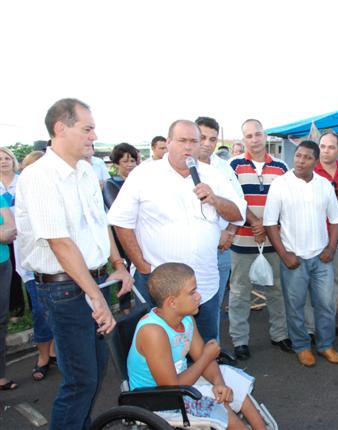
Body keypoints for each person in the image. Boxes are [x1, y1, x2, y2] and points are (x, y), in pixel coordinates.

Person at [15, 98, 133, 429]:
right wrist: (95, 296)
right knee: (81, 380)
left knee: (94, 373)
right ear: (60, 128)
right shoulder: (39, 176)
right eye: (87, 129)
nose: (94, 136)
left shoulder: (85, 171)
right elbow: (60, 243)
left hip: (94, 283)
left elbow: (100, 224)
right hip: (66, 290)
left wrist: (118, 263)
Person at [108, 120, 246, 344]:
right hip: (159, 284)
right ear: (169, 142)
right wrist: (141, 265)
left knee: (206, 345)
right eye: (182, 140)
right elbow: (121, 221)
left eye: (194, 141)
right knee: (161, 348)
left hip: (204, 284)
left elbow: (238, 214)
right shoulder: (144, 174)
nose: (188, 147)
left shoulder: (213, 175)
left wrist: (215, 199)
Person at [127, 263, 266, 430]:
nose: (198, 296)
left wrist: (219, 384)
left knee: (230, 378)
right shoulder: (153, 332)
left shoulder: (186, 319)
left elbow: (202, 358)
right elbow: (171, 388)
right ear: (172, 302)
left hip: (180, 385)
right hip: (158, 400)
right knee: (218, 405)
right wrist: (207, 357)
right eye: (192, 292)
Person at [264, 141, 338, 367]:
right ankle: (302, 347)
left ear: (315, 161)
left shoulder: (324, 185)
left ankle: (326, 345)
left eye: (307, 157)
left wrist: (331, 249)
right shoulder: (280, 184)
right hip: (294, 258)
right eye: (298, 156)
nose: (300, 161)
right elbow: (270, 223)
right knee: (295, 306)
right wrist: (284, 255)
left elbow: (336, 219)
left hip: (321, 258)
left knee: (326, 304)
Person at [227, 119, 291, 360]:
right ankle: (240, 341)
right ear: (243, 139)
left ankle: (280, 335)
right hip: (243, 241)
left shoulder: (281, 167)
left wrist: (267, 226)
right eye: (249, 136)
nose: (254, 139)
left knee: (276, 290)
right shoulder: (233, 165)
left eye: (258, 134)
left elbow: (286, 202)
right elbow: (232, 201)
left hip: (274, 241)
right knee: (239, 293)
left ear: (265, 136)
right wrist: (254, 223)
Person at [195, 116, 244, 340]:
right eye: (202, 137)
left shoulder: (224, 168)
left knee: (213, 303)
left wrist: (230, 233)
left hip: (221, 248)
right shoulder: (177, 167)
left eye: (212, 139)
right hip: (190, 251)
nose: (207, 143)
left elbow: (239, 205)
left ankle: (210, 351)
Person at [14, 150, 56, 381]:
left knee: (59, 316)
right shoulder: (27, 195)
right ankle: (42, 357)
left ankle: (55, 352)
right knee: (41, 314)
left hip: (61, 271)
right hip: (35, 270)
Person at [304, 131, 338, 338]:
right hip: (313, 236)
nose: (326, 151)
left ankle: (326, 323)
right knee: (311, 284)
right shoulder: (308, 170)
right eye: (322, 146)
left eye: (331, 147)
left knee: (335, 282)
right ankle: (311, 328)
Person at [103, 143, 139, 313]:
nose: (130, 164)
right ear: (116, 163)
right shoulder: (111, 184)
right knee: (124, 266)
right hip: (120, 234)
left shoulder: (141, 181)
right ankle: (125, 305)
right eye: (125, 161)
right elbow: (117, 209)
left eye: (133, 160)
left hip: (141, 233)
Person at [0, 147, 26, 322]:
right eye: (0, 159)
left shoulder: (22, 180)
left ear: (13, 161)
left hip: (23, 231)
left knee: (24, 269)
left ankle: (30, 305)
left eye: (6, 158)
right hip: (5, 235)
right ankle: (15, 308)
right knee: (11, 271)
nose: (3, 161)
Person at [0, 194, 17, 390]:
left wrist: (3, 233)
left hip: (2, 263)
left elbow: (11, 230)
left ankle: (0, 375)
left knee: (1, 321)